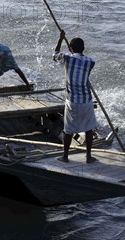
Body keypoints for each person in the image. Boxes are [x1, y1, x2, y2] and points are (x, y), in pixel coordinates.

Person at [53, 30, 97, 164]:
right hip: (87, 100)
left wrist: (61, 39)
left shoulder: (67, 58)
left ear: (70, 49)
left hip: (73, 101)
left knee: (68, 129)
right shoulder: (91, 62)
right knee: (89, 128)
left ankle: (65, 157)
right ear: (83, 49)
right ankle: (88, 157)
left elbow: (54, 56)